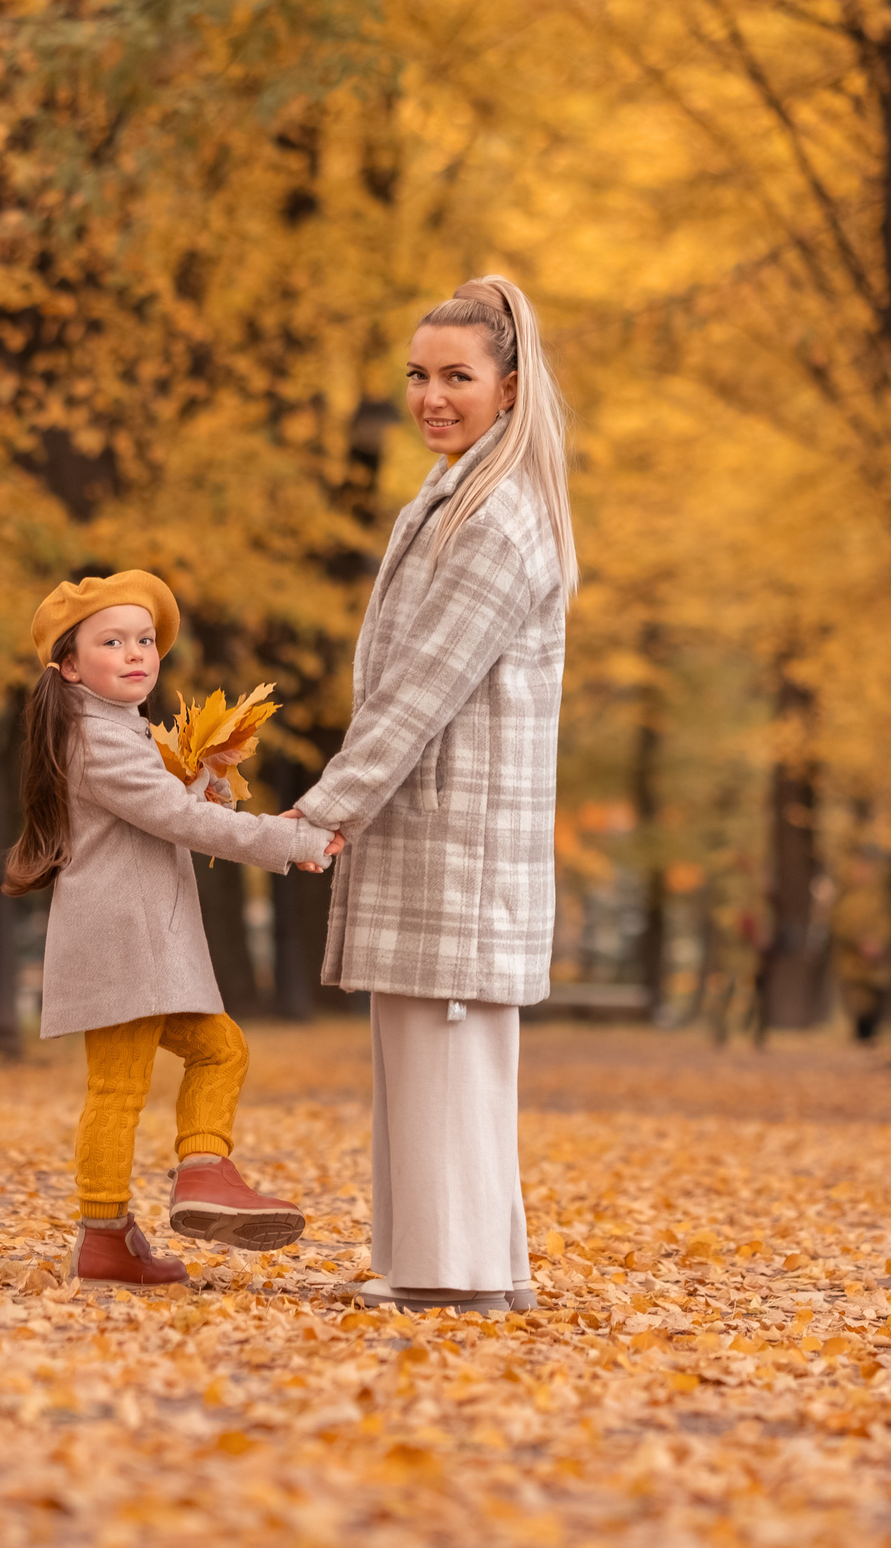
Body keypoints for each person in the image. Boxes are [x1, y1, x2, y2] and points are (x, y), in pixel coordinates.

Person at [290, 276, 576, 1312]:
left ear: (509, 386)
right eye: (417, 375)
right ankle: (448, 1265)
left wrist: (324, 813)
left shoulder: (494, 519)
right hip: (434, 828)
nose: (431, 396)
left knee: (445, 1046)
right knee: (422, 1048)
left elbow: (418, 695)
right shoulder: (457, 494)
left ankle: (454, 1275)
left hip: (456, 834)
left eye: (457, 376)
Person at [4, 570, 344, 1287]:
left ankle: (192, 1177)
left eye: (145, 639)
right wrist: (288, 841)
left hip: (138, 939)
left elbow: (166, 806)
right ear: (69, 665)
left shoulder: (112, 730)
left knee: (216, 1050)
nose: (137, 652)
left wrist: (209, 774)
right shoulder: (99, 738)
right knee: (122, 1087)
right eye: (112, 640)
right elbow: (177, 820)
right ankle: (124, 1223)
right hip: (127, 942)